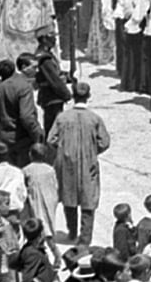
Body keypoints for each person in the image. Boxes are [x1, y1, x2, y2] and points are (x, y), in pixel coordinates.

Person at [47, 80, 111, 243]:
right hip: (89, 163)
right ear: (88, 96)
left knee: (69, 196)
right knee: (89, 199)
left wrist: (63, 149)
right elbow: (104, 142)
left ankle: (72, 232)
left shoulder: (62, 117)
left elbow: (51, 139)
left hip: (66, 162)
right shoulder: (94, 118)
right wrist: (91, 151)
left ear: (73, 96)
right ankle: (85, 238)